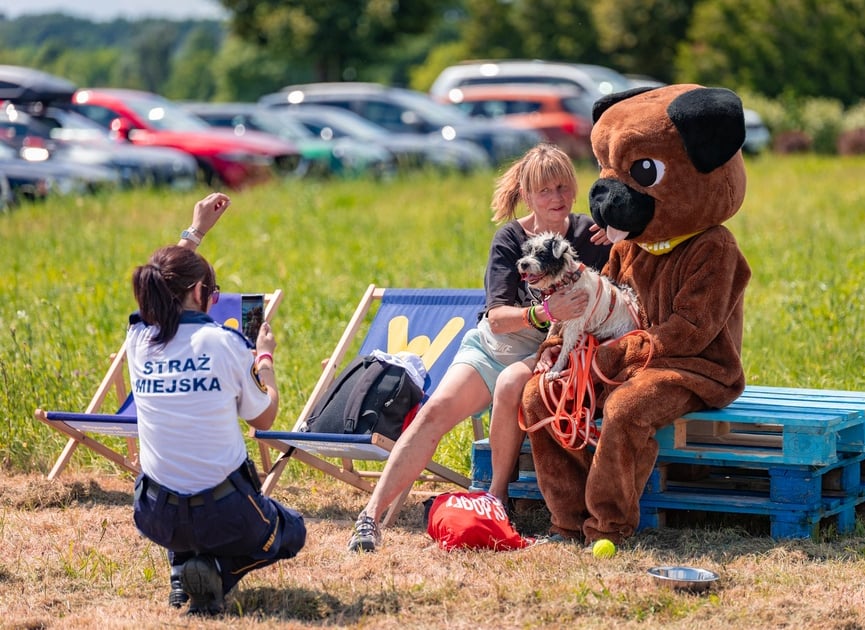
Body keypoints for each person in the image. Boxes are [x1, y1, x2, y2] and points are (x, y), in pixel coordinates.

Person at [347, 143, 612, 552]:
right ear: (526, 195)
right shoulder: (511, 238)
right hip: (495, 343)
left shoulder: (590, 235)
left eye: (563, 187)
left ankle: (496, 498)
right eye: (545, 191)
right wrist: (545, 312)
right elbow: (497, 317)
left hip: (547, 351)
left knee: (510, 384)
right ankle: (369, 516)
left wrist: (618, 232)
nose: (556, 198)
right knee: (434, 411)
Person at [128, 192, 306, 615]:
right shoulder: (224, 343)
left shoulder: (139, 341)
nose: (214, 299)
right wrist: (264, 361)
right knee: (292, 531)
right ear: (197, 291)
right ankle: (215, 569)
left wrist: (195, 233)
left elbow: (162, 287)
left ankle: (182, 568)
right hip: (225, 512)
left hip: (155, 515)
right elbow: (264, 417)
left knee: (178, 485)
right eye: (212, 292)